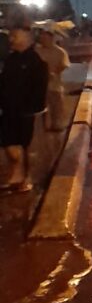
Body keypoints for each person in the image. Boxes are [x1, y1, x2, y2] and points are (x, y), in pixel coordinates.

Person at [0, 25, 49, 192]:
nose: (11, 40)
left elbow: (40, 88)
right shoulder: (10, 59)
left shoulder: (36, 61)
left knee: (26, 146)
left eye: (15, 36)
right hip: (8, 110)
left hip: (27, 113)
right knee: (9, 143)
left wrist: (34, 109)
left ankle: (25, 178)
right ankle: (17, 174)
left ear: (27, 38)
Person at [35, 28, 70, 131]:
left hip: (55, 85)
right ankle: (43, 127)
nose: (43, 39)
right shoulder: (37, 51)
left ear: (52, 38)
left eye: (46, 37)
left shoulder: (60, 52)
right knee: (41, 109)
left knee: (56, 107)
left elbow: (64, 65)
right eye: (42, 37)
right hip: (40, 86)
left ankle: (56, 125)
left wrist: (54, 72)